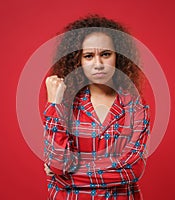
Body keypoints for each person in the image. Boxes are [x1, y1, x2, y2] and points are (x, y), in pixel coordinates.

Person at [42, 14, 151, 199]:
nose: (98, 64)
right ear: (78, 60)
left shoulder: (135, 107)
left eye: (106, 54)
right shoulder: (64, 104)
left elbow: (132, 171)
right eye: (89, 56)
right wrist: (54, 105)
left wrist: (67, 176)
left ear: (119, 57)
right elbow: (59, 164)